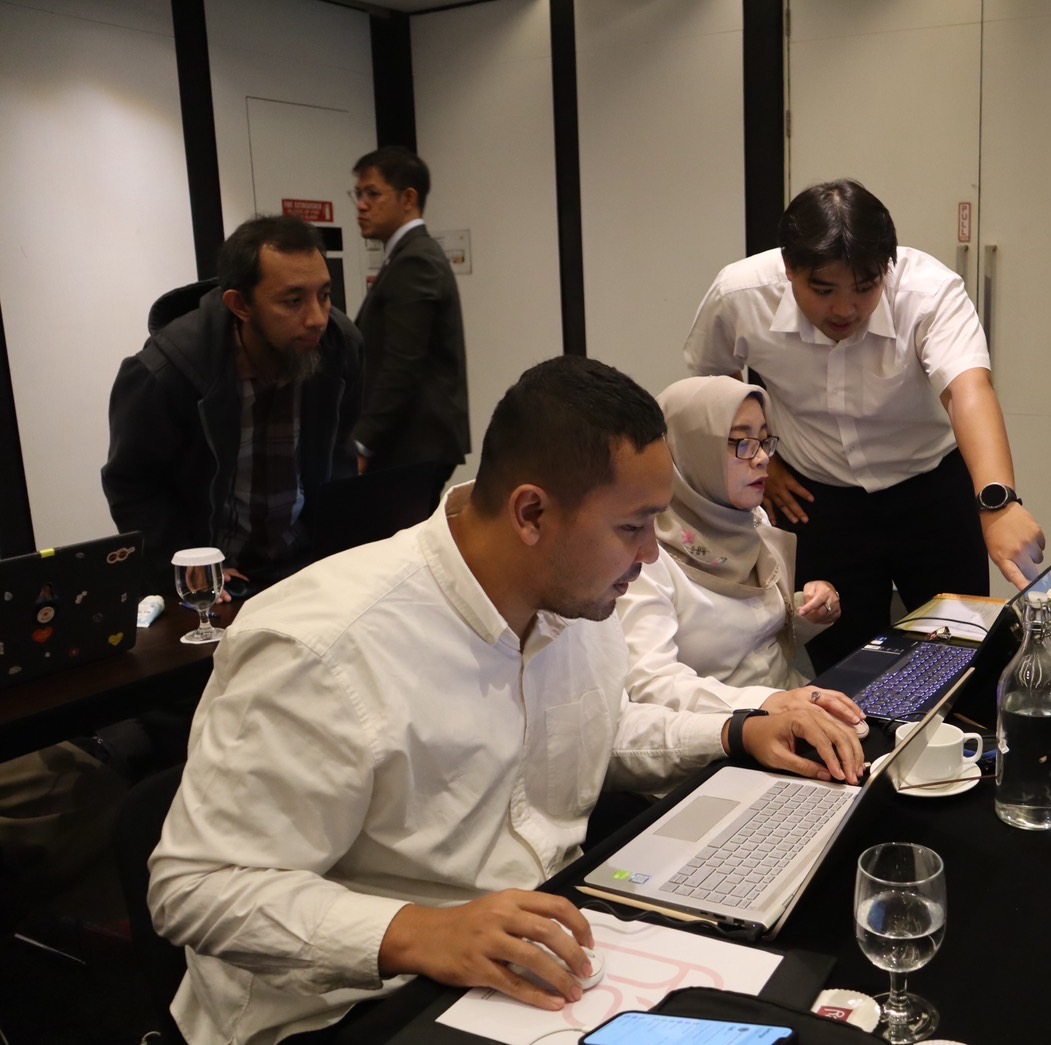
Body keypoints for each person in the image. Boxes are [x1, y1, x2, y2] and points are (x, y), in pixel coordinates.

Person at [146, 356, 865, 1045]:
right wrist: (417, 930)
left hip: (538, 953)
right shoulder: (324, 644)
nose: (651, 554)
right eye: (633, 526)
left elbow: (595, 728)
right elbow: (196, 886)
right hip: (350, 1005)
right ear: (531, 513)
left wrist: (734, 731)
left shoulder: (573, 592)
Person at [683, 179, 1047, 670]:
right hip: (817, 499)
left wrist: (998, 503)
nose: (844, 308)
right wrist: (762, 459)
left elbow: (968, 389)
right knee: (846, 665)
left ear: (886, 269)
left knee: (961, 657)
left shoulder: (928, 292)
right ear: (789, 267)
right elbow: (711, 383)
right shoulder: (740, 294)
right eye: (822, 289)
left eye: (864, 287)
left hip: (931, 490)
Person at [102, 214, 363, 594]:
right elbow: (132, 484)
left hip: (304, 565)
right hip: (218, 578)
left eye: (323, 295)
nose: (317, 319)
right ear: (240, 304)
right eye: (293, 301)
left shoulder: (341, 348)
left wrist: (340, 550)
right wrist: (187, 562)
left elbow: (338, 457)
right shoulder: (166, 371)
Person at [617, 375, 866, 730]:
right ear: (691, 449)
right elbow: (651, 684)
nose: (762, 458)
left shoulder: (748, 517)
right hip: (723, 733)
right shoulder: (644, 555)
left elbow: (752, 632)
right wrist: (767, 703)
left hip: (793, 709)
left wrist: (809, 609)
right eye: (742, 443)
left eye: (764, 441)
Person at [350, 146, 470, 483]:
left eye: (373, 193)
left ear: (408, 198)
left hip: (412, 445)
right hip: (412, 443)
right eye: (358, 194)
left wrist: (362, 442)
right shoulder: (407, 255)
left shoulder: (415, 260)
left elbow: (402, 364)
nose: (361, 205)